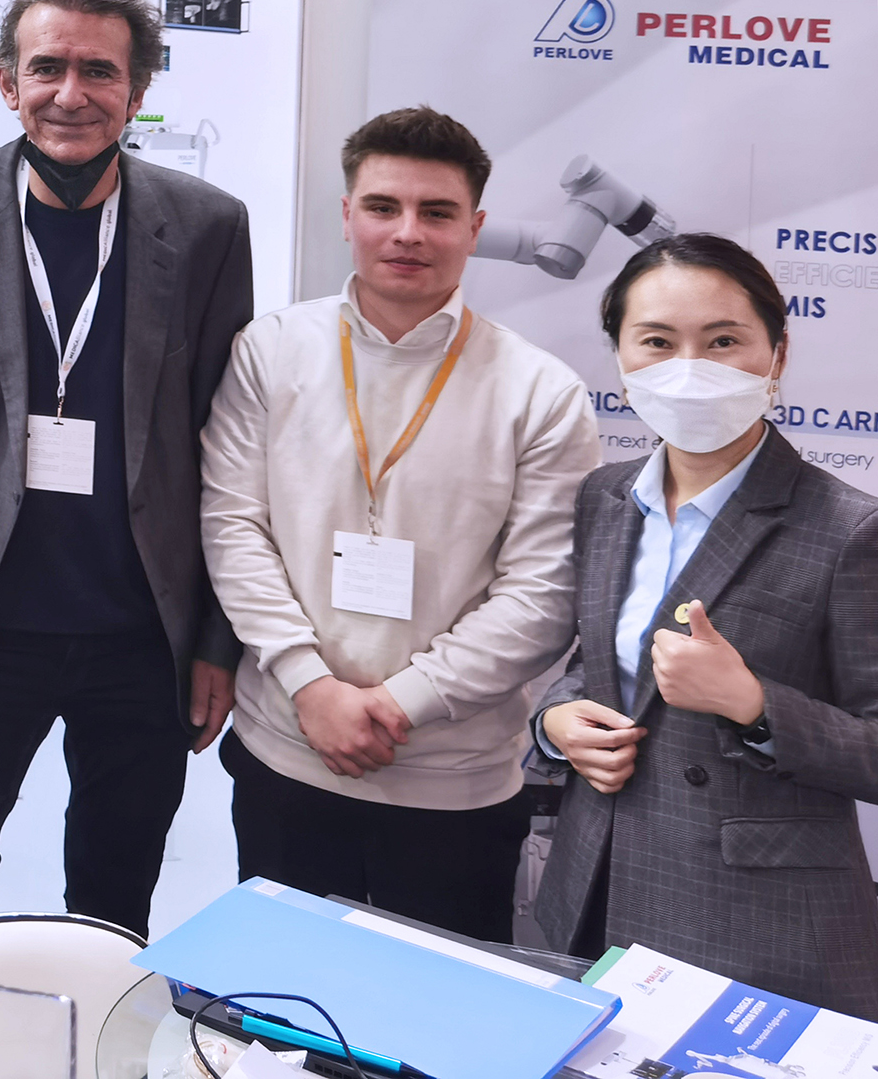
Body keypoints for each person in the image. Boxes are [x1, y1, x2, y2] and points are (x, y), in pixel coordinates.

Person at [0, 0, 251, 944]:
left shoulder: (208, 226)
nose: (70, 93)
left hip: (141, 638)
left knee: (115, 895)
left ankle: (98, 1030)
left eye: (99, 71)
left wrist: (216, 640)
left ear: (138, 89)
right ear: (7, 81)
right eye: (46, 67)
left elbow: (229, 454)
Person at [200, 106, 599, 942]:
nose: (407, 232)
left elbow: (543, 596)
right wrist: (311, 686)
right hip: (286, 754)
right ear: (348, 215)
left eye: (437, 211)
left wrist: (398, 702)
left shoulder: (541, 391)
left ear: (475, 228)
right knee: (278, 1002)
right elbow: (233, 526)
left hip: (453, 787)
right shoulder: (272, 348)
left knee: (438, 1016)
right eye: (383, 207)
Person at [534, 235, 878, 1015]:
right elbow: (598, 663)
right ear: (620, 357)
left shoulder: (850, 529)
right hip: (595, 887)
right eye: (657, 342)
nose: (689, 369)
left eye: (723, 340)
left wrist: (754, 703)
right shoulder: (604, 496)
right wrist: (555, 720)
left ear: (777, 352)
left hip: (757, 924)